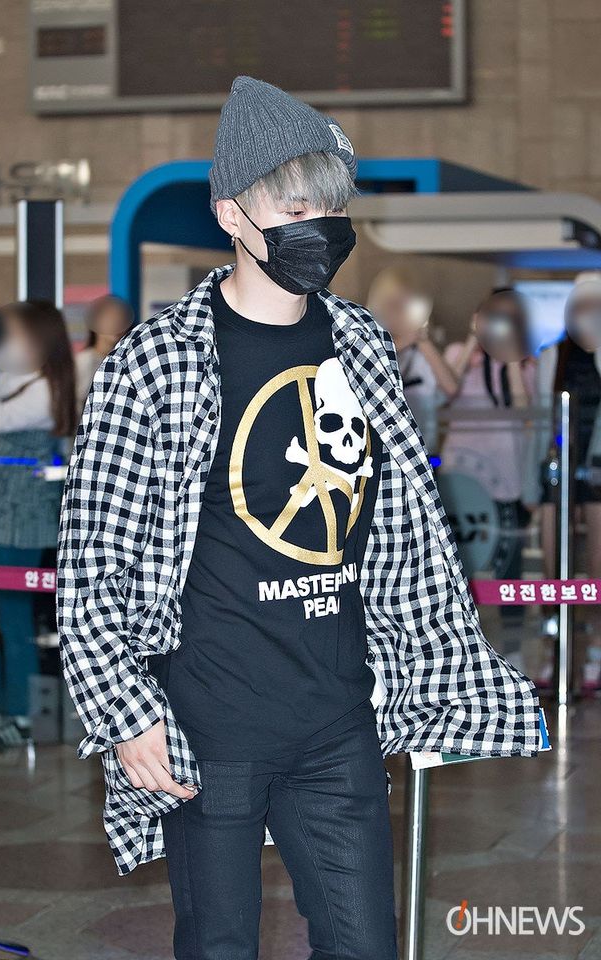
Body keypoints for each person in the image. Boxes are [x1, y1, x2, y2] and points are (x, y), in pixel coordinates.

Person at [57, 76, 544, 960]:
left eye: (330, 204)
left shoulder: (361, 342)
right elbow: (94, 559)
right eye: (293, 204)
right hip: (208, 723)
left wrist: (417, 663)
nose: (319, 222)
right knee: (219, 945)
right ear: (231, 215)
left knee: (364, 944)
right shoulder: (154, 362)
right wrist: (125, 712)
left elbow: (397, 522)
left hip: (337, 714)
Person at [0, 300, 76, 749]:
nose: (4, 347)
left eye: (15, 337)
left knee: (12, 617)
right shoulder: (13, 379)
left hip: (18, 520)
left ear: (41, 341)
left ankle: (23, 716)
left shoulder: (46, 390)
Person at [441, 290, 534, 634]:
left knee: (509, 560)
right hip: (462, 473)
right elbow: (447, 390)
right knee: (460, 560)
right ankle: (462, 634)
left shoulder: (524, 362)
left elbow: (524, 411)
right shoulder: (458, 353)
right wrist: (472, 340)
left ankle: (513, 638)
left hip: (506, 474)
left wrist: (510, 357)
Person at [525, 273, 601, 693]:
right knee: (554, 566)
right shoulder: (555, 354)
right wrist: (532, 482)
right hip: (559, 466)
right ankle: (554, 652)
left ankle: (593, 653)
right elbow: (540, 419)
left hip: (597, 468)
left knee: (596, 566)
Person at [367, 266, 458, 453]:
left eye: (407, 305)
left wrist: (422, 339)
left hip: (423, 451)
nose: (399, 313)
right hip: (380, 453)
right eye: (394, 305)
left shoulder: (420, 351)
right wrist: (404, 341)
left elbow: (451, 388)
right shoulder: (368, 344)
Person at [75, 295, 133, 413]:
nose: (115, 324)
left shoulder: (130, 361)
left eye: (120, 318)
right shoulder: (84, 361)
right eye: (109, 318)